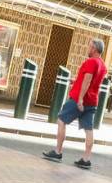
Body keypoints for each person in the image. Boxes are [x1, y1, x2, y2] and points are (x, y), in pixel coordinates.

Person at [43, 38, 108, 169]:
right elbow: (91, 82)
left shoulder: (91, 61)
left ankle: (57, 152)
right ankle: (86, 159)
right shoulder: (103, 65)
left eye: (89, 46)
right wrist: (75, 81)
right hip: (92, 101)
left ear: (94, 49)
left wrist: (80, 99)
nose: (87, 49)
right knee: (89, 130)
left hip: (79, 99)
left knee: (61, 120)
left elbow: (88, 80)